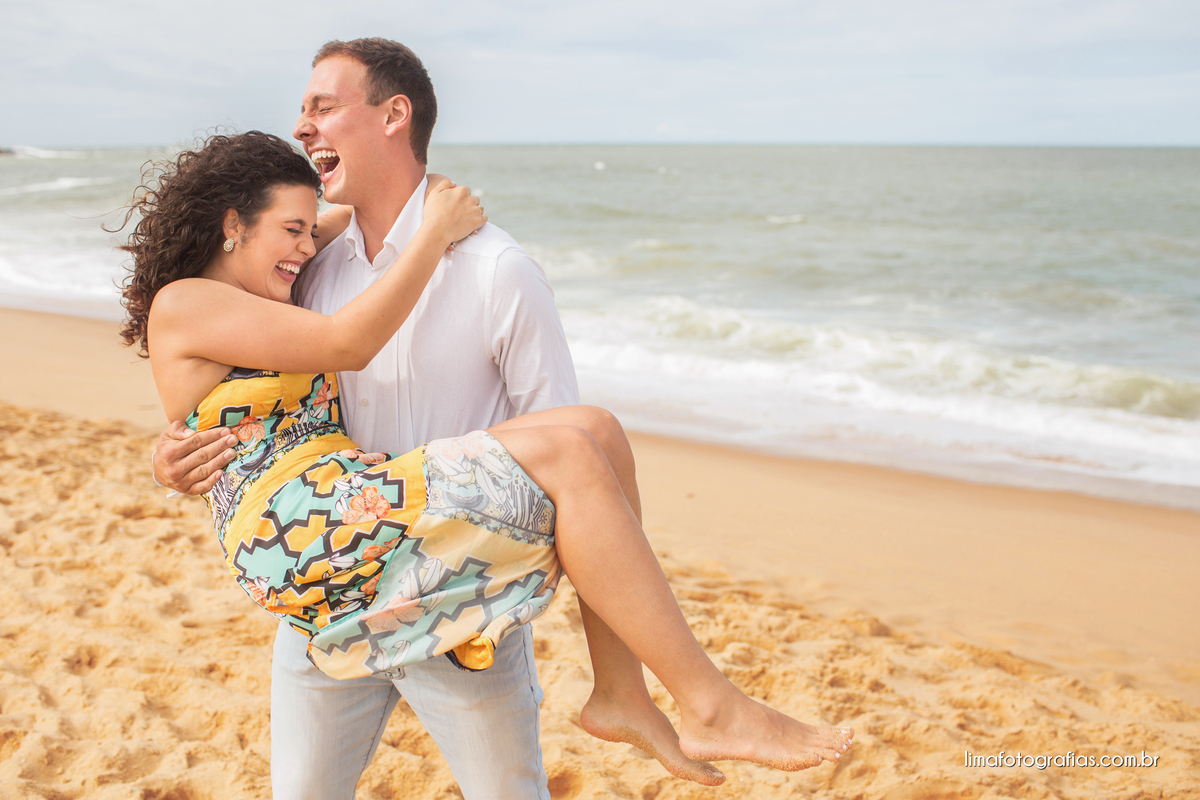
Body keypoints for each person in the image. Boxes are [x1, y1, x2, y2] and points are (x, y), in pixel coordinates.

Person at [145, 39, 852, 798]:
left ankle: (625, 691)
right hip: (331, 577)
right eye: (304, 110)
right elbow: (251, 374)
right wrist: (173, 450)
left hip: (457, 601)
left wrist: (429, 219)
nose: (303, 124)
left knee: (594, 438)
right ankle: (704, 701)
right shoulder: (308, 266)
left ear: (394, 115)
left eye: (323, 106)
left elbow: (564, 447)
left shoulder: (494, 270)